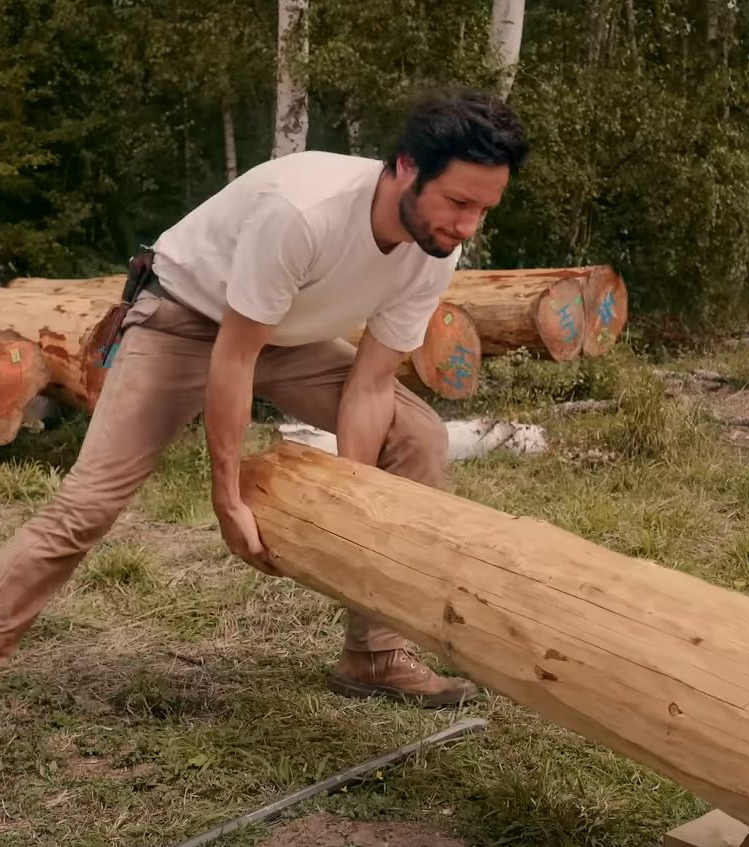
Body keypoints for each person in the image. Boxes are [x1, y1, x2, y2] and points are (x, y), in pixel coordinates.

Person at [0, 89, 527, 707]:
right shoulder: (305, 212)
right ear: (407, 167)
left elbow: (371, 383)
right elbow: (234, 356)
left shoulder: (435, 251)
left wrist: (351, 507)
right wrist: (228, 497)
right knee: (87, 506)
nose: (465, 225)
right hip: (184, 319)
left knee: (415, 435)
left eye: (483, 210)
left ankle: (375, 654)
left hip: (285, 335)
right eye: (458, 201)